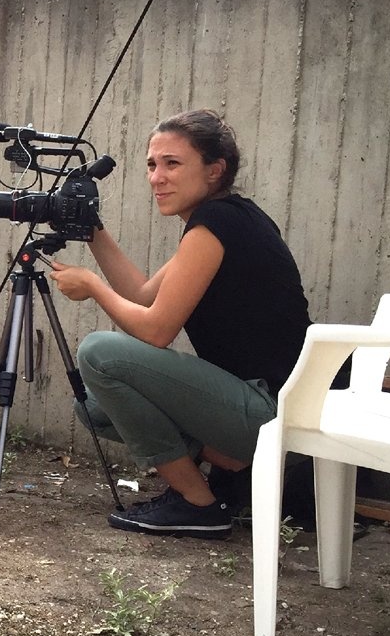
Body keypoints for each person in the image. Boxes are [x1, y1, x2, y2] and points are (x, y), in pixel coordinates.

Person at [48, 109, 321, 539]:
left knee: (99, 354)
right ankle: (231, 463)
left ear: (215, 170)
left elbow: (157, 329)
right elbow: (142, 295)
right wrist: (91, 228)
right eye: (152, 165)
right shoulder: (225, 219)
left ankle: (198, 504)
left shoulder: (216, 225)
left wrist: (95, 288)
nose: (157, 177)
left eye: (172, 164)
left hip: (272, 410)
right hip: (265, 405)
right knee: (95, 408)